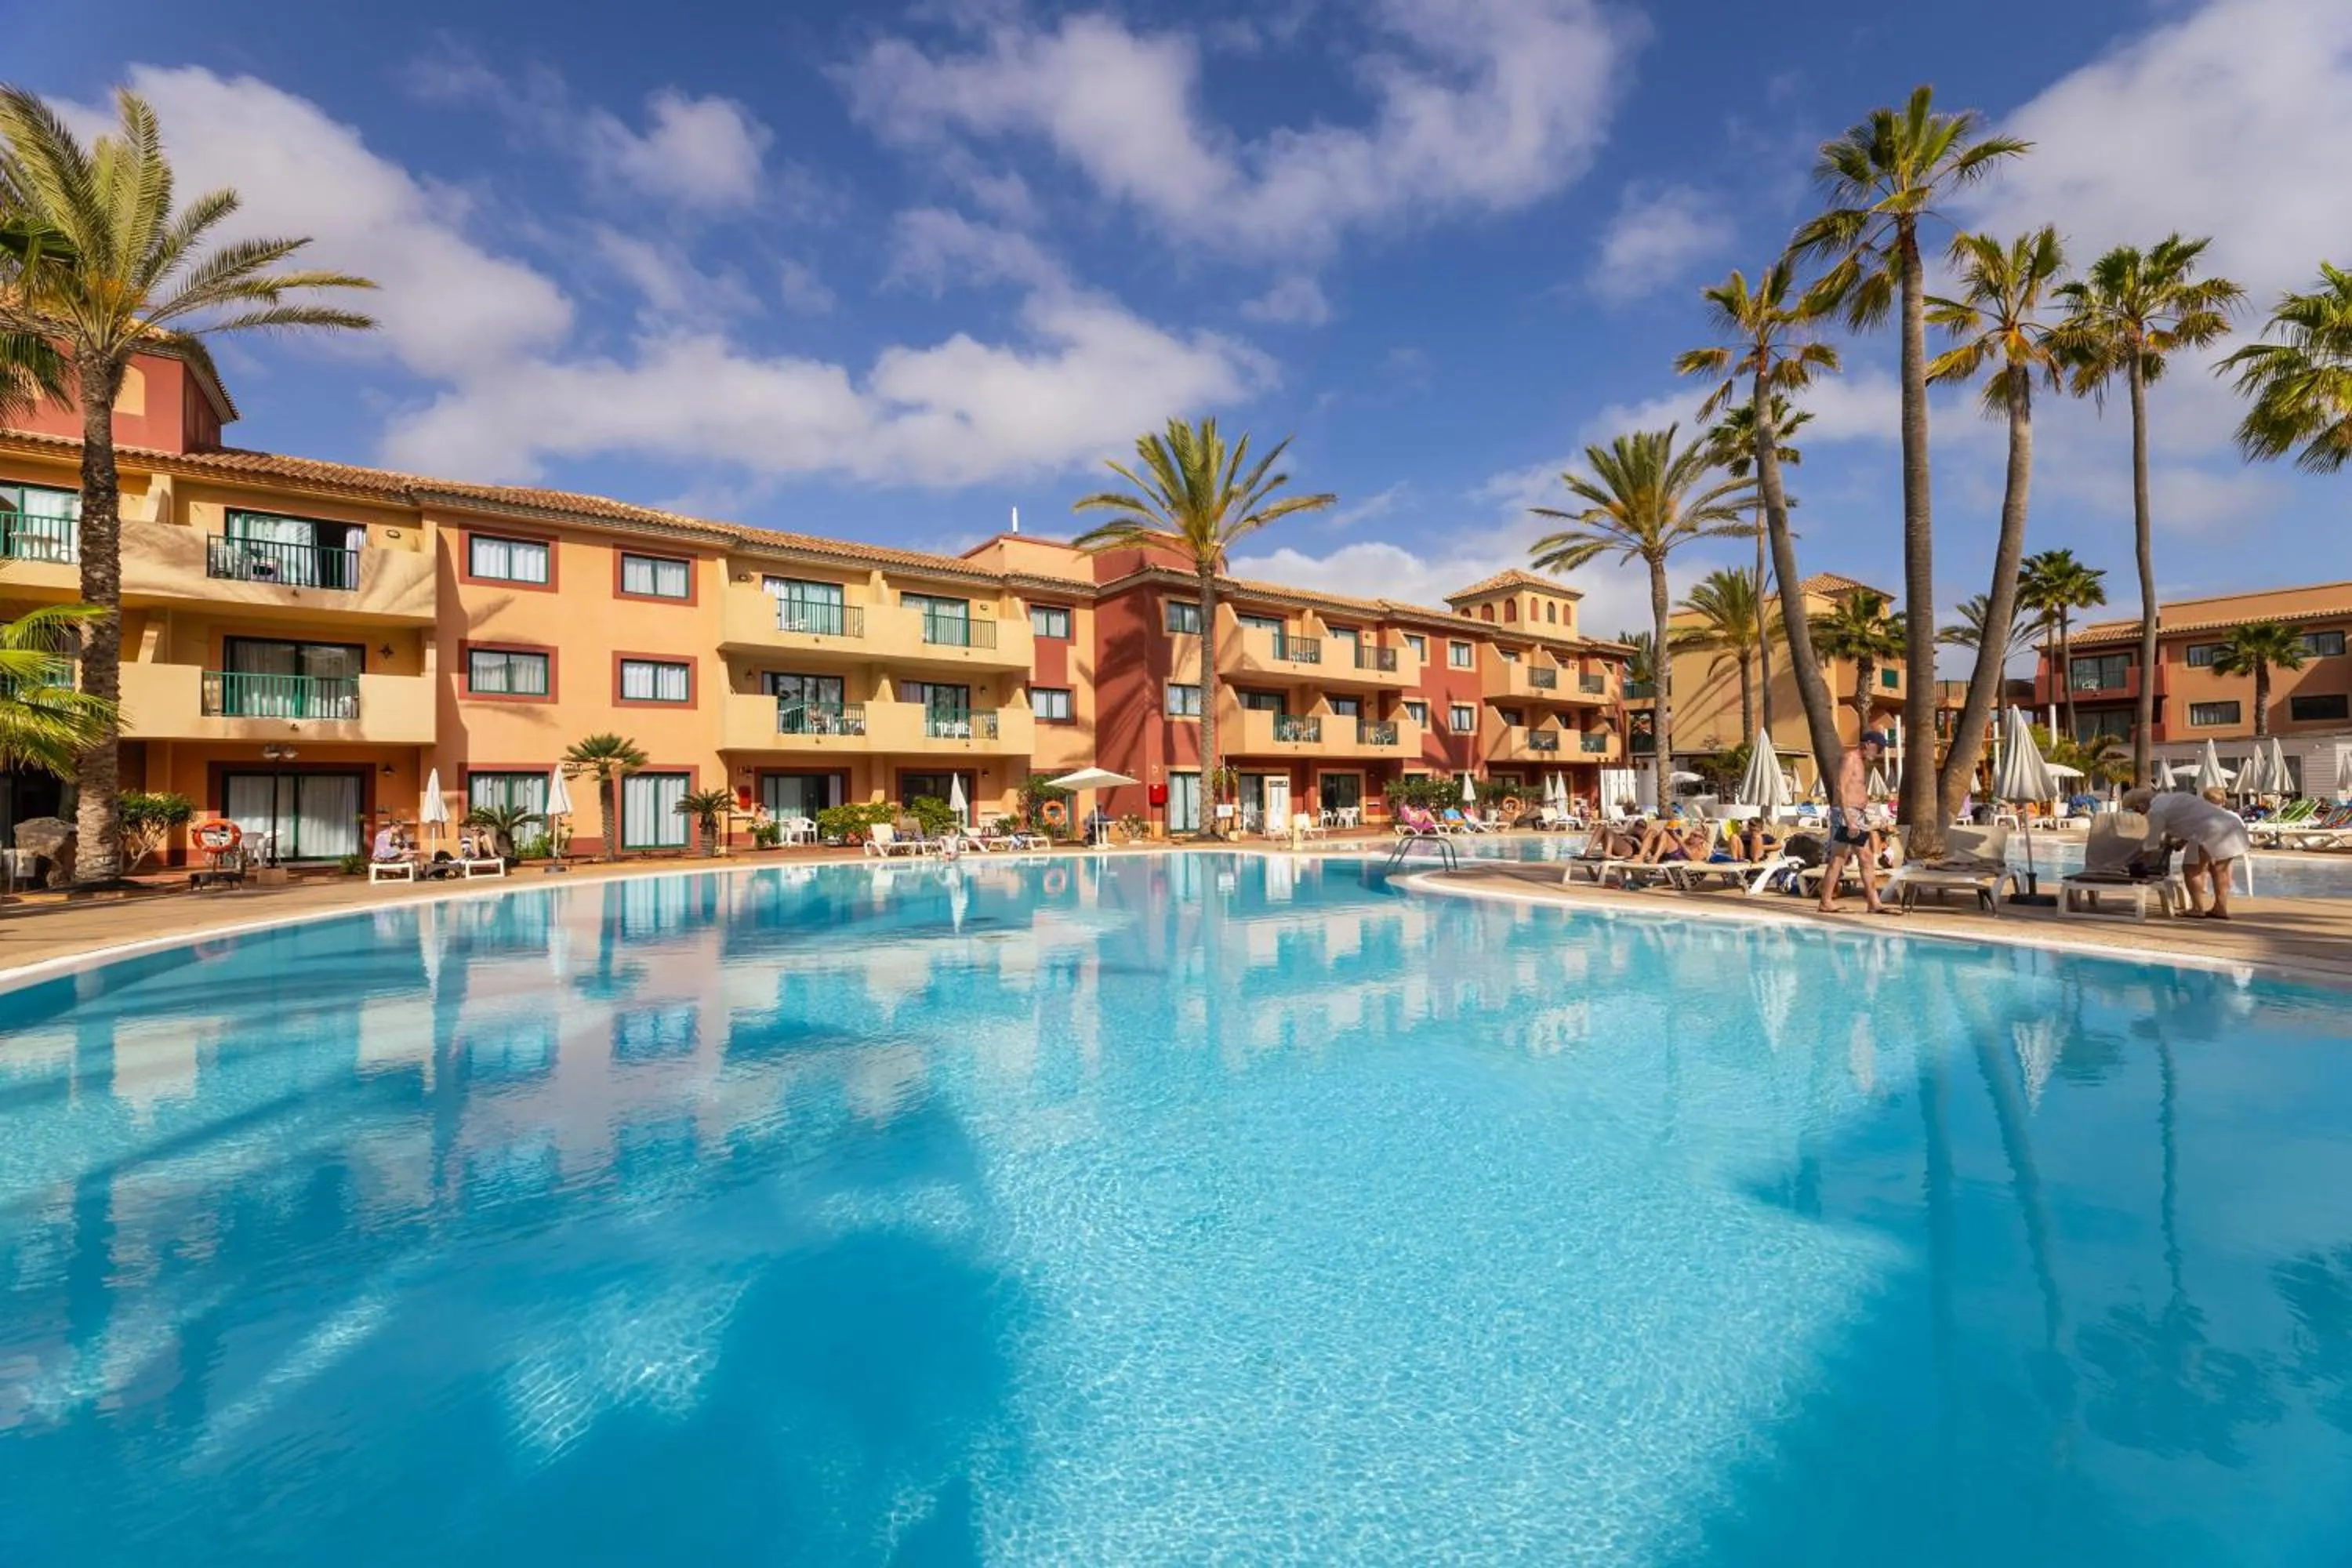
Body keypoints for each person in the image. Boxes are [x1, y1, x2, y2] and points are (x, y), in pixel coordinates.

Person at [2121, 786, 2250, 919]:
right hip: (2231, 826)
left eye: (2136, 810)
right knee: (2220, 871)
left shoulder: (2156, 810)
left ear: (2140, 805)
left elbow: (2152, 842)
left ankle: (2197, 909)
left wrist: (2138, 860)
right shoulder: (2174, 797)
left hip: (2211, 831)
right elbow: (2188, 819)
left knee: (2192, 870)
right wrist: (2179, 842)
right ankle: (2220, 908)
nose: (2139, 814)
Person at [1820, 731, 1890, 915]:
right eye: (1878, 749)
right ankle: (1827, 901)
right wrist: (1848, 819)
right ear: (1868, 744)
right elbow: (1841, 788)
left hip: (1856, 814)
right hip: (1847, 814)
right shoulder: (1850, 759)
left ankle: (1873, 903)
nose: (1879, 753)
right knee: (1842, 858)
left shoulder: (1859, 762)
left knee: (1862, 858)